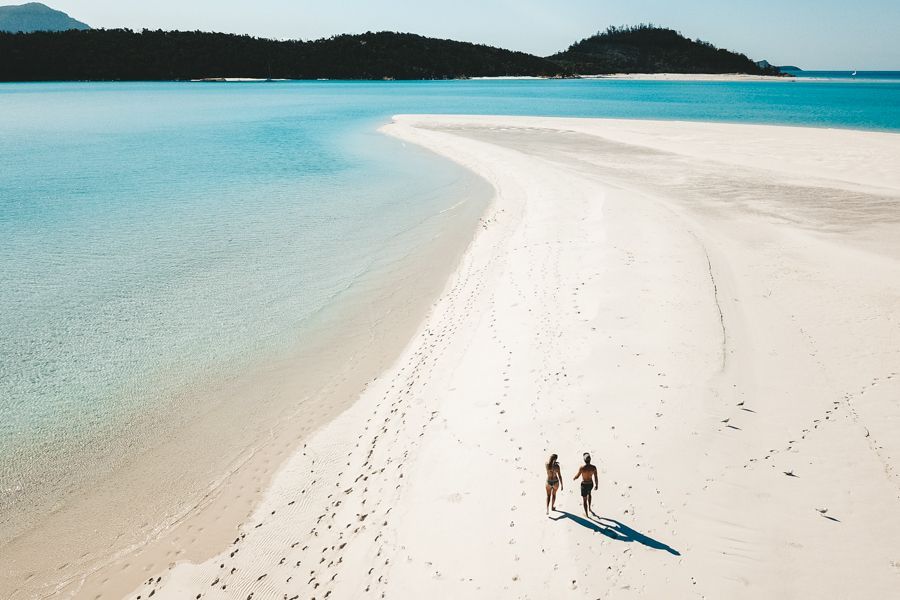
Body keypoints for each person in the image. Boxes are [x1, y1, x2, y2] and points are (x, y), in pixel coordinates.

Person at [573, 452, 598, 517]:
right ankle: (589, 507)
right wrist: (596, 485)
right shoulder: (593, 467)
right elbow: (595, 477)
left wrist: (574, 477)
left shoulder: (582, 468)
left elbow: (577, 476)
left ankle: (586, 514)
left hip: (584, 485)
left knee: (584, 500)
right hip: (590, 484)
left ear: (584, 460)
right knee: (589, 494)